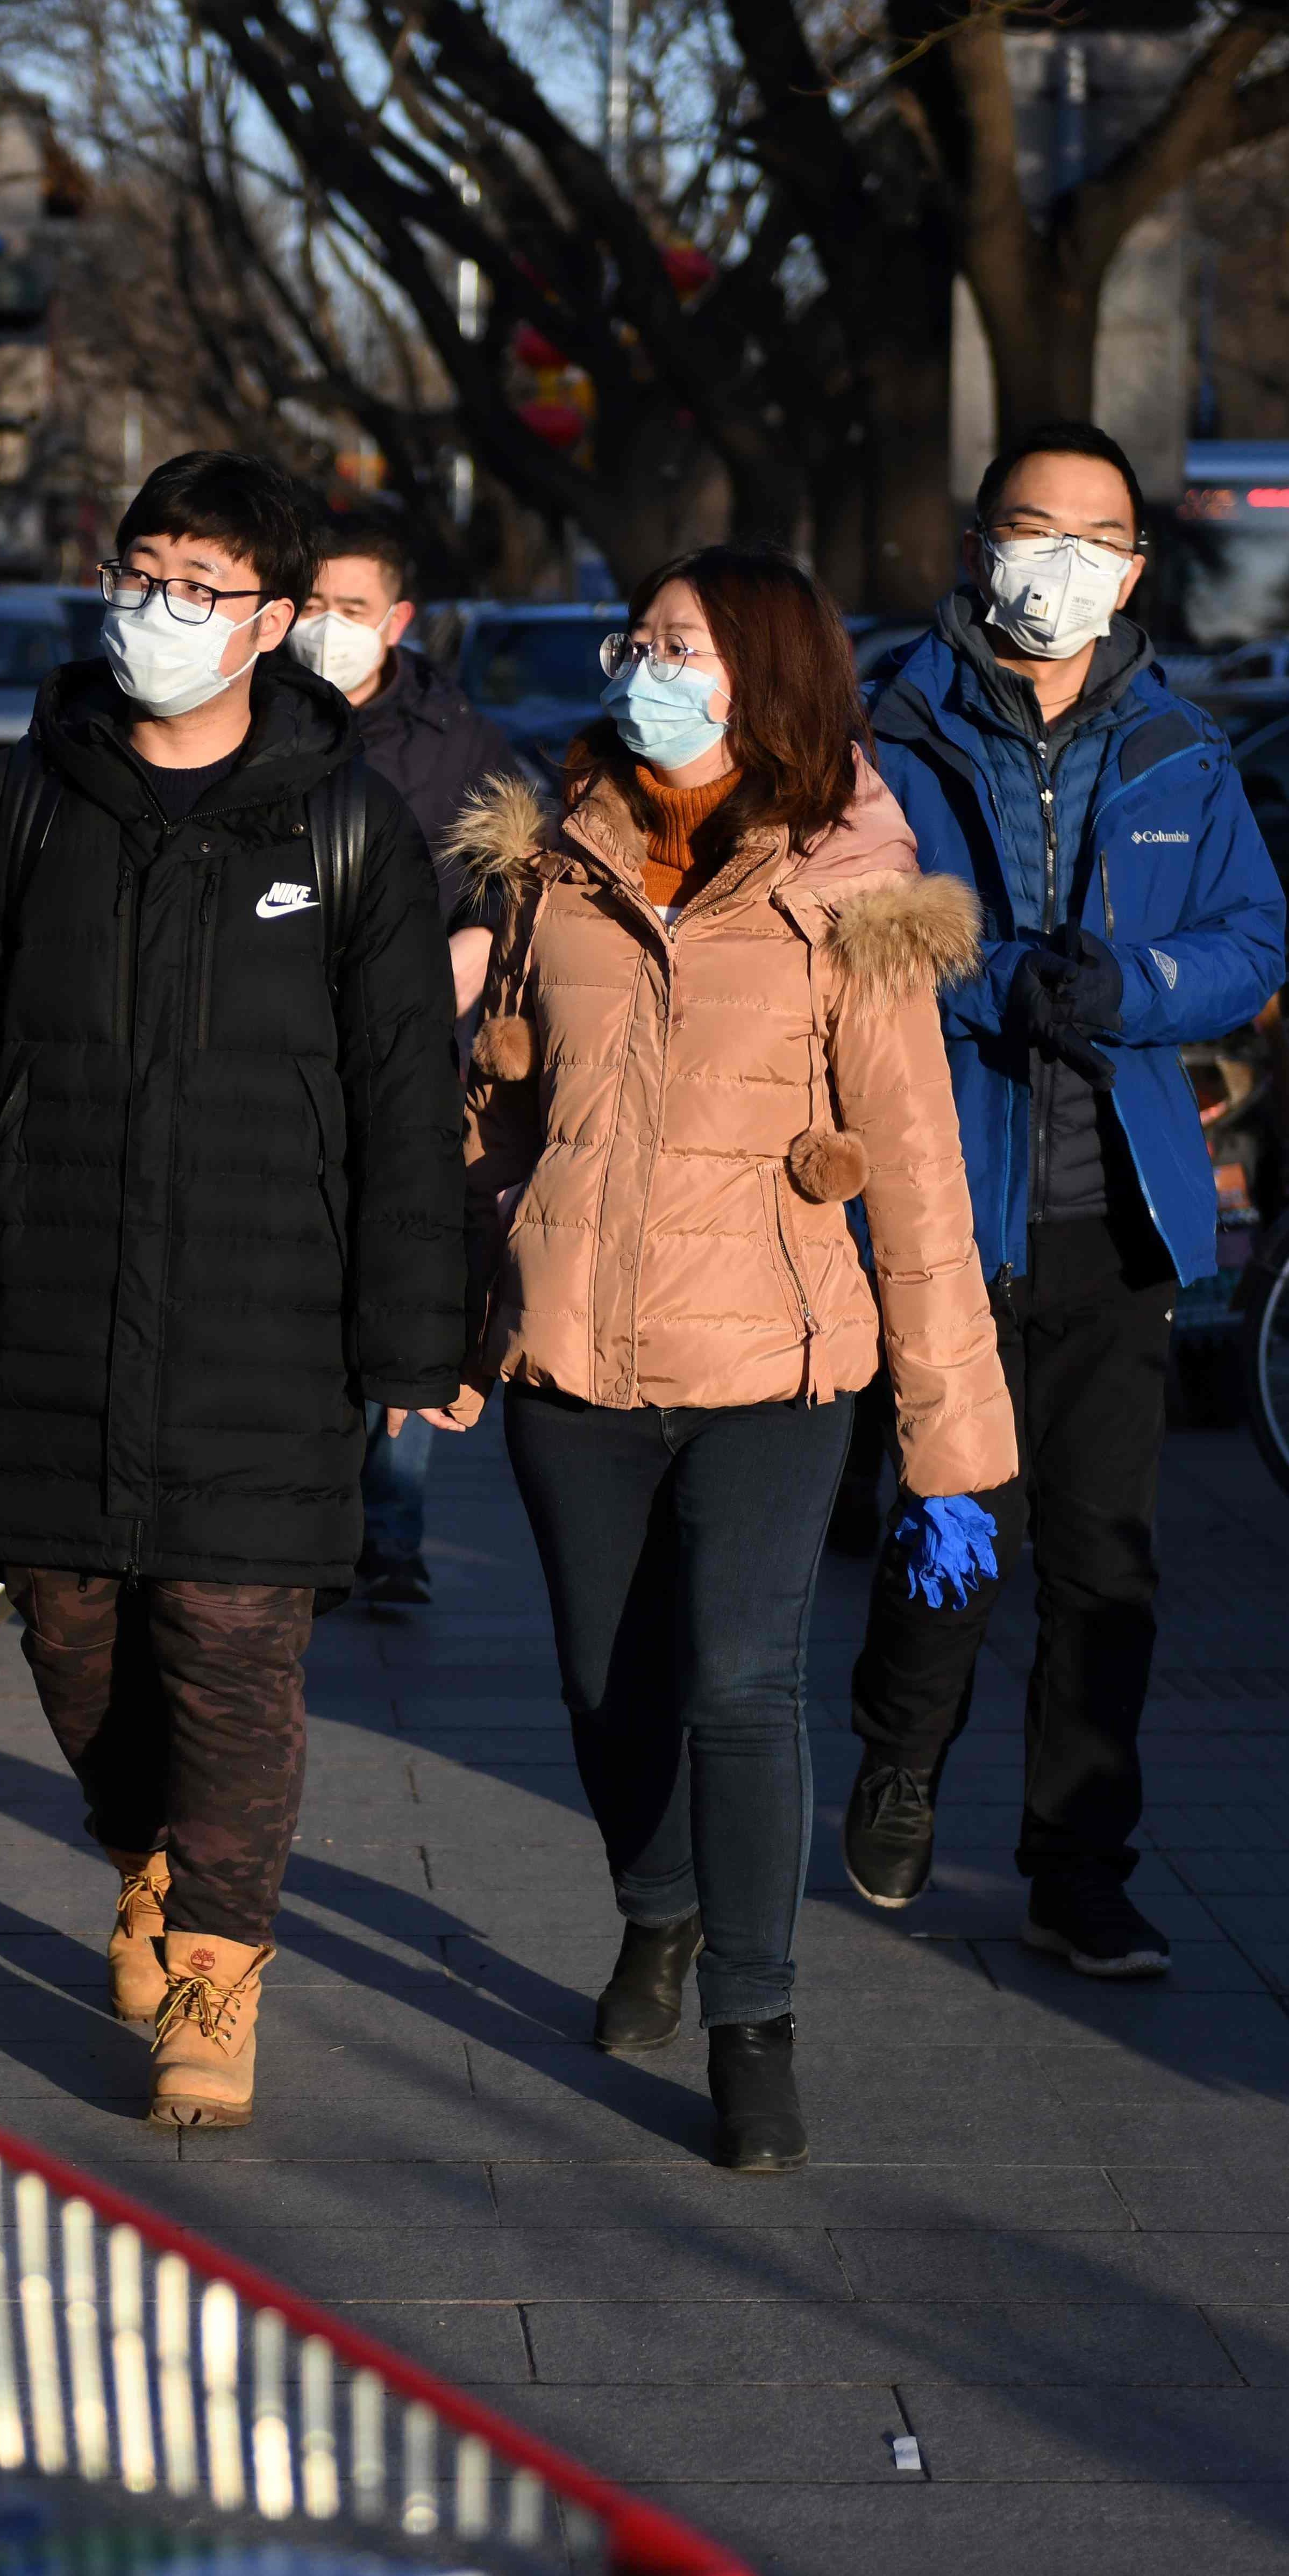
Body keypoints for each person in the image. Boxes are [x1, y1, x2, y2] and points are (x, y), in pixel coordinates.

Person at [0, 451, 462, 2128]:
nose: (162, 613)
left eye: (204, 588)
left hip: (271, 1321)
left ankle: (218, 1965)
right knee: (72, 1635)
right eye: (143, 575)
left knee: (231, 1643)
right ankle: (145, 1853)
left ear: (273, 622)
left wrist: (415, 1332)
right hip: (53, 1292)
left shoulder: (347, 826)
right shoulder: (18, 810)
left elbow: (409, 1093)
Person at [439, 546, 1015, 2170]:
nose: (648, 666)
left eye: (682, 643)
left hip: (775, 1363)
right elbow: (495, 1119)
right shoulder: (554, 864)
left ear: (765, 674)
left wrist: (951, 1438)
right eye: (639, 639)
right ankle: (658, 1908)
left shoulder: (850, 891)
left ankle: (754, 2026)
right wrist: (451, 1323)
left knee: (741, 1686)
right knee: (603, 1686)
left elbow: (917, 1172)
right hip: (572, 1362)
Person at [844, 424, 1287, 1974]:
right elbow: (852, 922)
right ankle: (902, 1752)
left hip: (1119, 1221)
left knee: (1107, 1562)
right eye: (1037, 531)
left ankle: (1079, 1866)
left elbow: (1251, 938)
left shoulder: (1181, 745)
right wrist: (998, 982)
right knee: (955, 1526)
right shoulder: (890, 731)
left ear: (1135, 569)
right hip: (948, 1209)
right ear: (981, 548)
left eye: (1098, 539)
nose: (1065, 565)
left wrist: (1133, 984)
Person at [290, 505, 524, 1605]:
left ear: (397, 618)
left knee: (408, 1282)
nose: (327, 627)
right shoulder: (249, 714)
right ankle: (308, 1523)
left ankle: (389, 1537)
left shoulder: (454, 739)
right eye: (312, 603)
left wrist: (482, 935)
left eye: (352, 607)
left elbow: (517, 863)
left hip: (414, 1059)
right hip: (279, 1053)